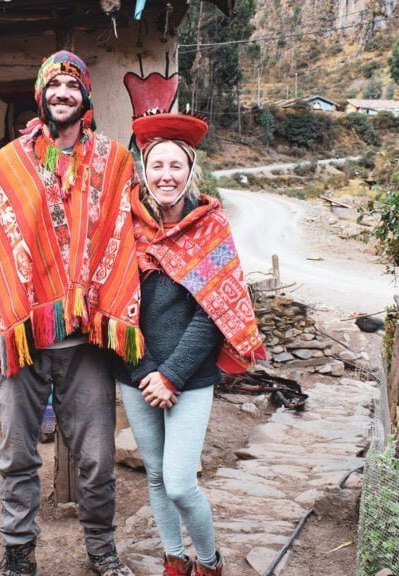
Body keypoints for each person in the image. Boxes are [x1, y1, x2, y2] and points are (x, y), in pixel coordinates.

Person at [0, 51, 142, 576]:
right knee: (16, 456)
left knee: (97, 461)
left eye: (72, 87)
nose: (63, 94)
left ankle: (102, 551)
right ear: (41, 97)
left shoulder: (115, 162)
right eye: (54, 87)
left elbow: (132, 236)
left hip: (85, 343)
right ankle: (18, 552)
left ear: (86, 98)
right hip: (20, 339)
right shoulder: (8, 165)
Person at [122, 111, 267, 576]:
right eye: (156, 166)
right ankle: (173, 559)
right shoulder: (125, 226)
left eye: (175, 166)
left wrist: (171, 375)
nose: (166, 175)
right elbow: (113, 301)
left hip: (189, 376)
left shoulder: (211, 228)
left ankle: (209, 562)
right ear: (144, 171)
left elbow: (215, 312)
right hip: (135, 371)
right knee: (158, 477)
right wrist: (145, 369)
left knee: (182, 482)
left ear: (190, 172)